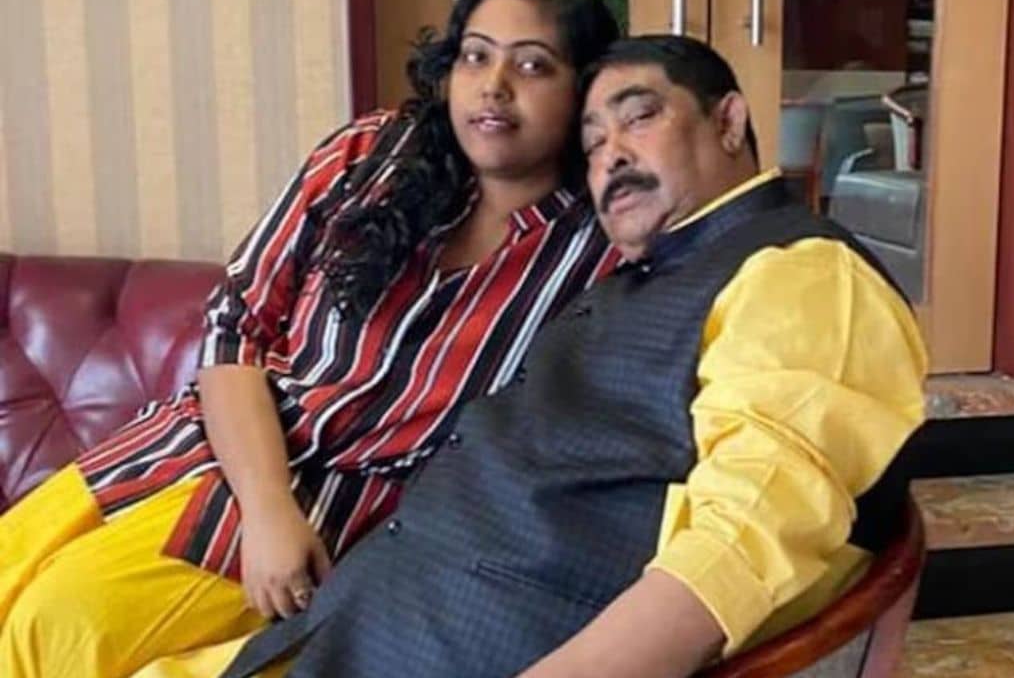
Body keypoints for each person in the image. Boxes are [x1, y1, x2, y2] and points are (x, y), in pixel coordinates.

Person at [223, 34, 928, 678]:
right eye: (592, 144)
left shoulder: (801, 272)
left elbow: (745, 540)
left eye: (639, 117)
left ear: (729, 121)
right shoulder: (639, 278)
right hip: (352, 630)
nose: (610, 155)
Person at [0, 0, 620, 677]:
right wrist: (266, 505)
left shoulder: (598, 248)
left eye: (533, 65)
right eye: (476, 56)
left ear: (583, 92)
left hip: (315, 523)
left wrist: (273, 521)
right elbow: (235, 326)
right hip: (177, 454)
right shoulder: (370, 156)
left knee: (54, 633)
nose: (493, 85)